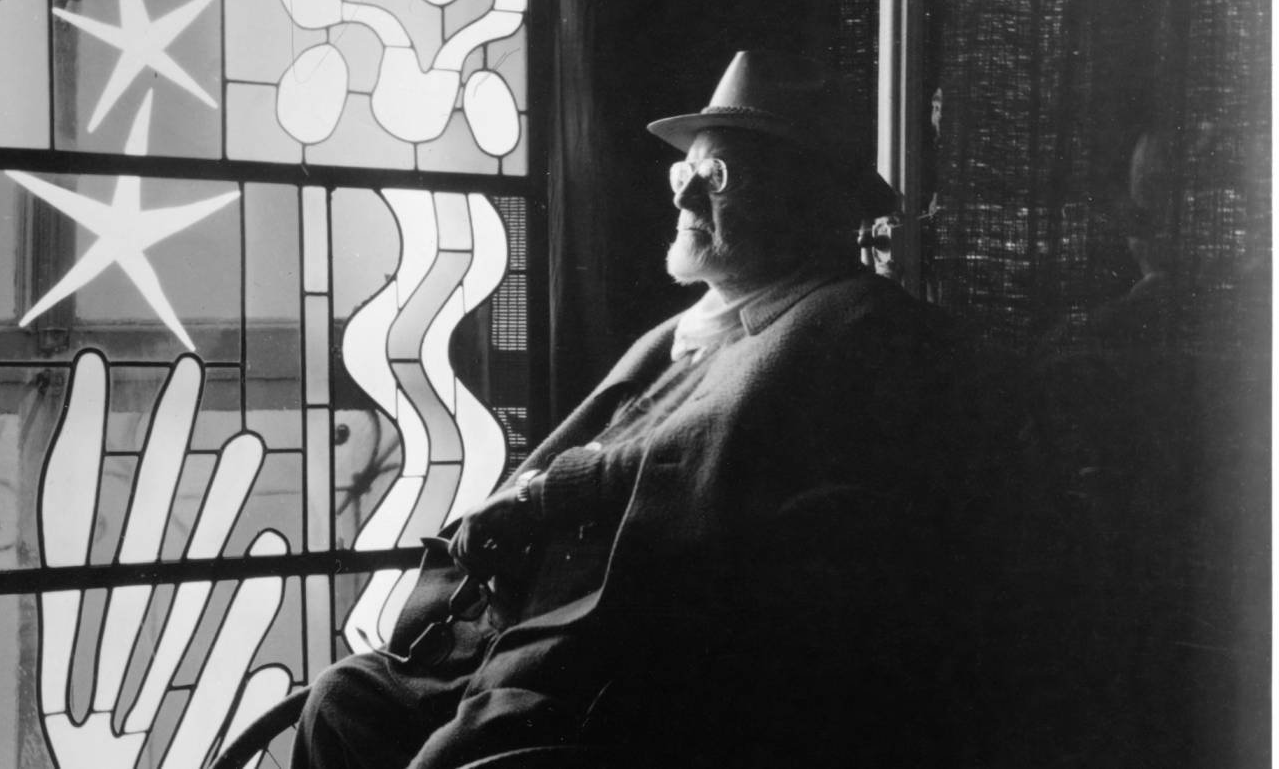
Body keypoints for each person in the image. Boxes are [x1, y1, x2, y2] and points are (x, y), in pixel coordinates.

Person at [292, 51, 972, 769]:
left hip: (644, 661)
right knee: (346, 700)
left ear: (804, 199)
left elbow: (730, 466)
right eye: (685, 177)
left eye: (719, 180)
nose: (683, 202)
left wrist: (549, 497)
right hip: (532, 627)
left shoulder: (857, 323)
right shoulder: (684, 331)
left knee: (456, 758)